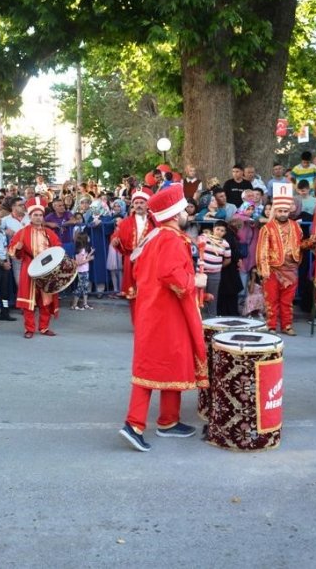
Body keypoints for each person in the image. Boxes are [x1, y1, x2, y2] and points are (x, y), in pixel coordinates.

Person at [118, 185, 208, 452]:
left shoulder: (156, 236)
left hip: (158, 312)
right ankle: (133, 425)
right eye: (183, 209)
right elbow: (171, 274)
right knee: (150, 367)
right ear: (174, 213)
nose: (187, 213)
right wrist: (195, 281)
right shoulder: (170, 238)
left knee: (171, 362)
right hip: (164, 314)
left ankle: (169, 421)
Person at [256, 184, 314, 335]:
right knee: (272, 300)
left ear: (290, 211)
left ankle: (287, 325)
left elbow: (300, 245)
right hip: (273, 269)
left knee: (287, 300)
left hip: (291, 269)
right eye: (280, 211)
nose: (283, 213)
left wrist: (311, 242)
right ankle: (272, 325)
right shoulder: (267, 228)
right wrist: (264, 270)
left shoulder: (296, 226)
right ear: (275, 211)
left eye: (285, 211)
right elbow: (261, 250)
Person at [8, 196, 63, 338]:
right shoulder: (23, 232)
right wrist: (18, 248)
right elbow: (13, 251)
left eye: (40, 215)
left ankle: (44, 327)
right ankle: (29, 329)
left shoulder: (49, 233)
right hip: (30, 270)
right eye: (35, 215)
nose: (38, 218)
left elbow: (58, 249)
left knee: (46, 301)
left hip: (47, 272)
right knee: (29, 302)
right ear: (30, 216)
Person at [110, 188, 153, 324]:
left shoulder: (154, 222)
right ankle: (137, 323)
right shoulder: (126, 222)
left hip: (149, 262)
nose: (139, 205)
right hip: (131, 262)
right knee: (133, 294)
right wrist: (115, 241)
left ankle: (149, 322)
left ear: (147, 205)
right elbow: (116, 235)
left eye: (142, 202)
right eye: (136, 203)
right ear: (132, 205)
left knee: (149, 293)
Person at [71, 232, 95, 310]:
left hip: (85, 270)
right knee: (80, 287)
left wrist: (90, 253)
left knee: (85, 287)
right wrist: (89, 259)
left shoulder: (82, 249)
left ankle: (85, 303)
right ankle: (74, 304)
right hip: (82, 271)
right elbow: (79, 262)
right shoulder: (81, 250)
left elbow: (84, 258)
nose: (88, 238)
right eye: (87, 237)